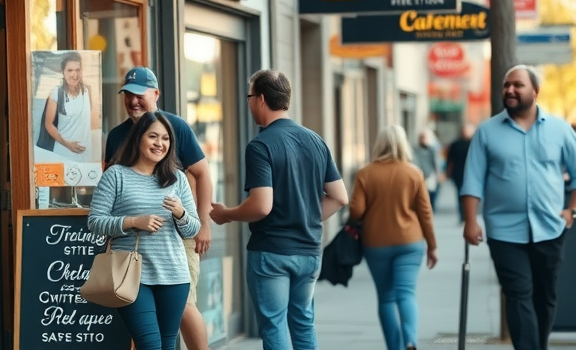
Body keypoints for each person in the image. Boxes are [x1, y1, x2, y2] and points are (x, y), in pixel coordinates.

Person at [210, 69, 348, 350]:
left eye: (250, 97)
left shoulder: (260, 145)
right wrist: (306, 217)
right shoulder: (315, 140)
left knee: (274, 325)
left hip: (272, 252)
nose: (249, 103)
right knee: (303, 322)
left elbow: (261, 206)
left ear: (261, 99)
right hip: (309, 251)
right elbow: (339, 197)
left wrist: (226, 214)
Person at [461, 65, 576, 350]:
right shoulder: (487, 132)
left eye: (517, 85)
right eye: (506, 85)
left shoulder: (559, 128)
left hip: (550, 228)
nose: (510, 90)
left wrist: (572, 211)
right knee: (518, 294)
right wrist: (471, 221)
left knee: (545, 297)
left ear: (535, 91)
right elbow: (472, 179)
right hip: (504, 231)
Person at [105, 67, 212, 350]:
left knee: (185, 305)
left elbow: (202, 174)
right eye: (128, 95)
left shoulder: (176, 127)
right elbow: (107, 198)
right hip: (131, 246)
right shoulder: (116, 136)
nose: (133, 101)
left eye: (140, 95)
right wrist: (124, 225)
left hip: (175, 240)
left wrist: (203, 225)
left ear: (156, 94)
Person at [88, 112, 200, 350]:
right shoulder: (116, 175)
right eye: (153, 136)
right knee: (150, 345)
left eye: (165, 138)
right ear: (138, 138)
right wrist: (133, 222)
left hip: (174, 275)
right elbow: (95, 222)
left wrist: (181, 213)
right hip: (132, 275)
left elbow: (192, 229)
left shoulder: (178, 179)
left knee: (167, 344)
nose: (160, 143)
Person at [349, 124, 438, 350]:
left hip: (376, 243)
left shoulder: (365, 173)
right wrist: (432, 246)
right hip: (410, 242)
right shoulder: (414, 173)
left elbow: (356, 211)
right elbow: (425, 213)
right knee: (406, 293)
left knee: (386, 297)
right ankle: (410, 340)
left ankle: (394, 347)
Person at [41, 51, 99, 161]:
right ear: (63, 72)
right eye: (70, 70)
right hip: (63, 154)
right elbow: (48, 125)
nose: (74, 74)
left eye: (77, 70)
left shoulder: (88, 91)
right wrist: (67, 144)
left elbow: (92, 122)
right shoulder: (56, 93)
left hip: (85, 154)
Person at [444, 123, 474, 223]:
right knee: (460, 195)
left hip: (471, 174)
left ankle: (469, 216)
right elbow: (449, 159)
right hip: (458, 174)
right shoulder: (455, 144)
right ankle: (462, 215)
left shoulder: (475, 143)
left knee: (470, 195)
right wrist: (448, 172)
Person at [411, 129, 441, 209]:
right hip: (420, 175)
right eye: (422, 137)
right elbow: (415, 162)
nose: (423, 139)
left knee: (431, 195)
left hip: (430, 175)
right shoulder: (415, 150)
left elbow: (435, 162)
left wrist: (437, 174)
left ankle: (431, 209)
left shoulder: (432, 149)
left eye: (425, 137)